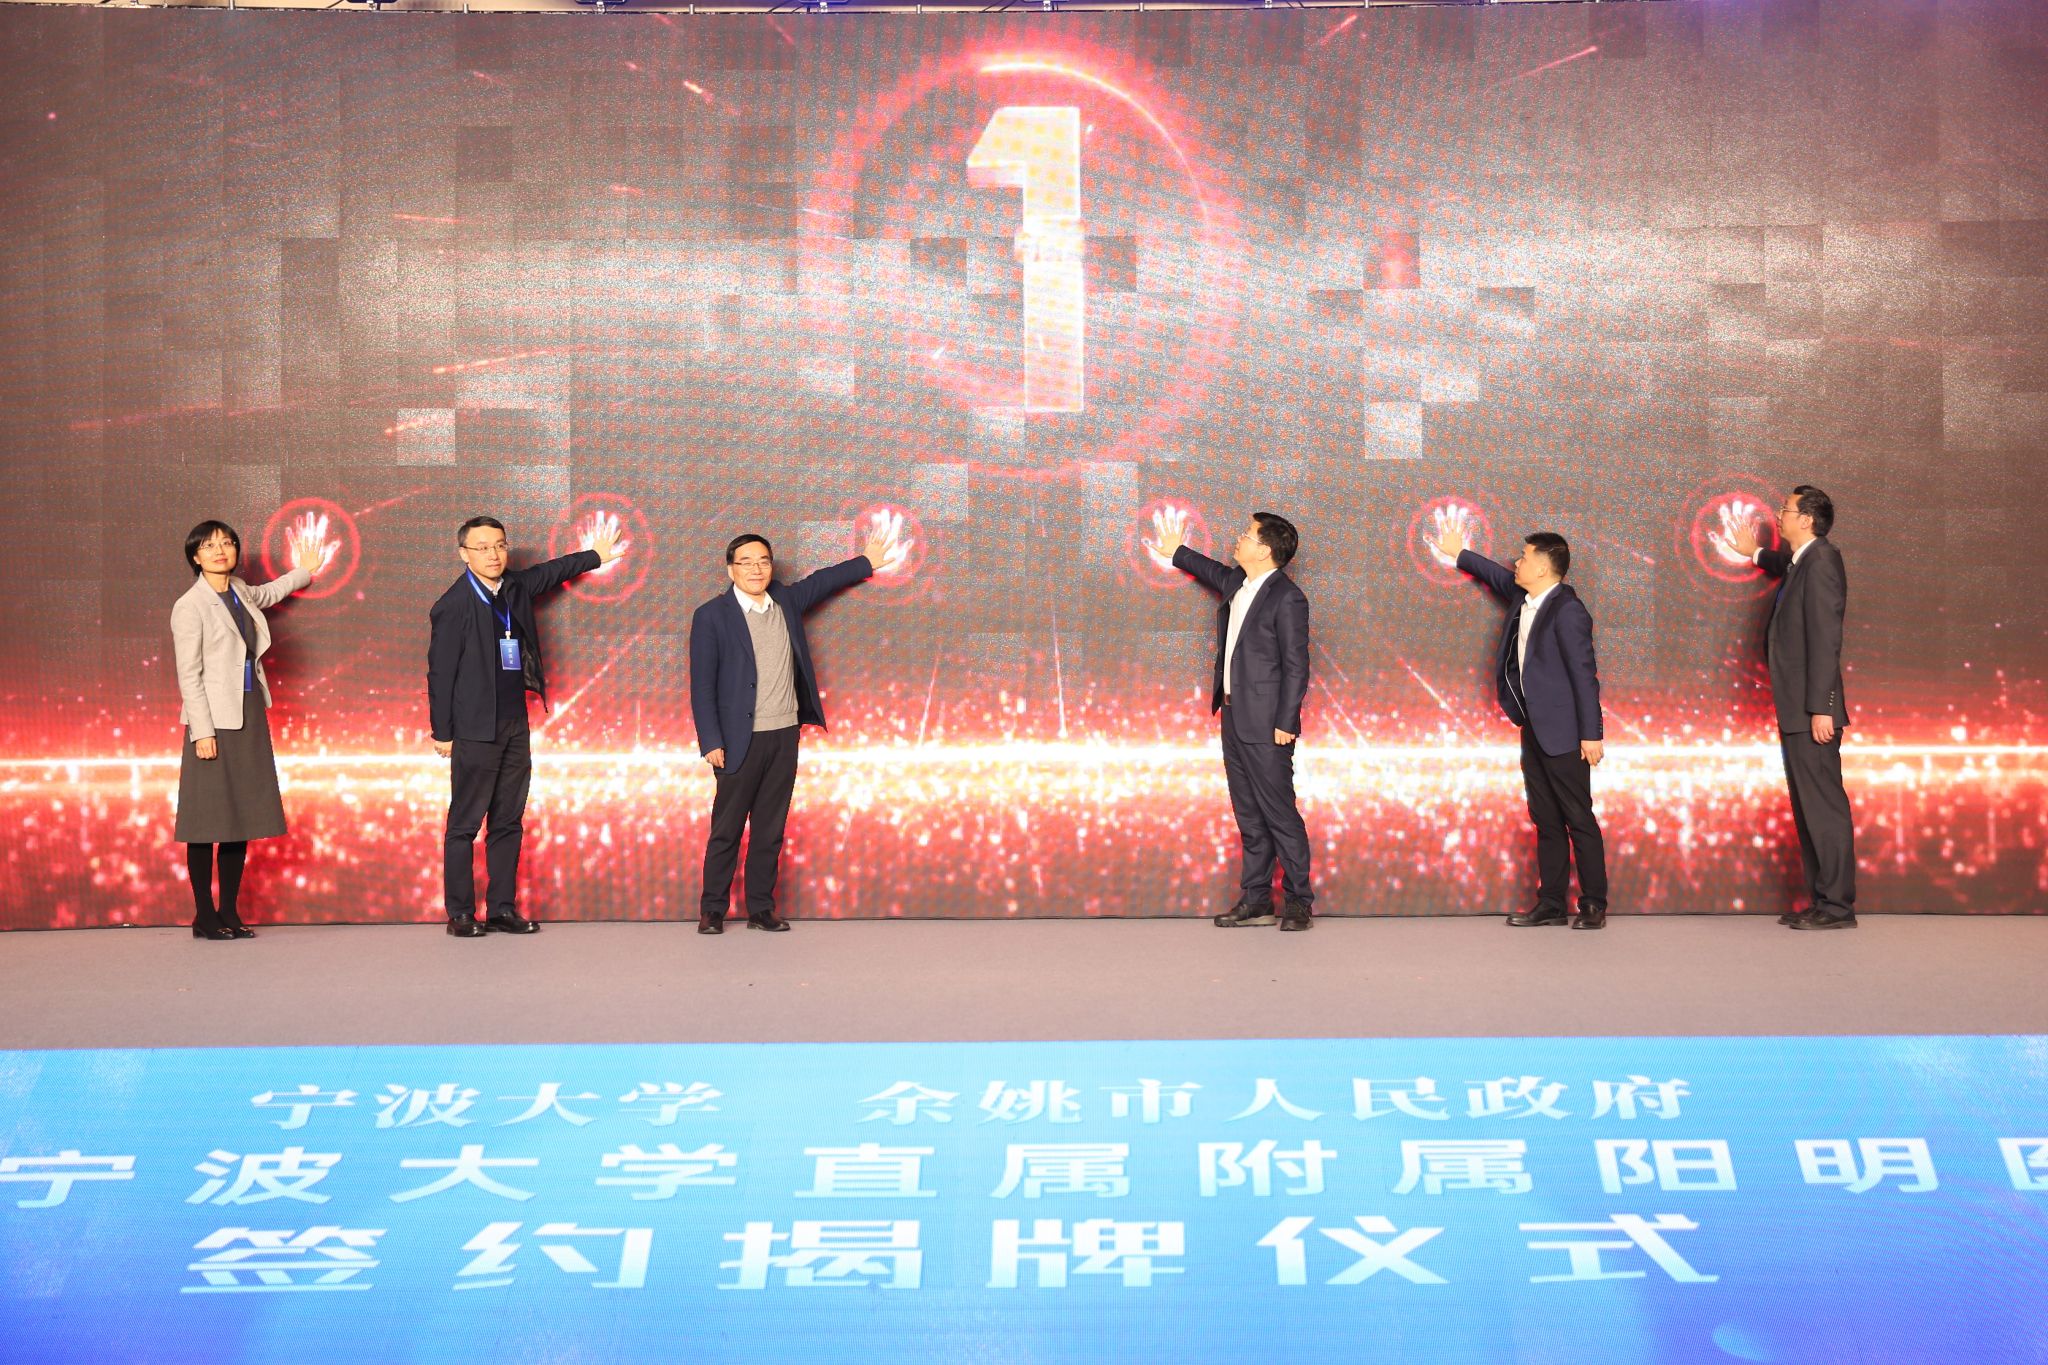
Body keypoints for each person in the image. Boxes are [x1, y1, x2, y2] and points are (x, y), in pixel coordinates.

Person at [689, 521, 897, 934]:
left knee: (770, 829)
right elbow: (702, 685)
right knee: (726, 830)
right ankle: (712, 909)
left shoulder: (784, 600)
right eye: (746, 562)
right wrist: (711, 740)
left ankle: (761, 909)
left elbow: (823, 582)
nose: (756, 569)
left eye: (763, 561)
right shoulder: (711, 615)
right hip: (736, 740)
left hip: (784, 734)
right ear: (731, 569)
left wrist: (867, 561)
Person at [428, 514, 623, 937]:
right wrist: (442, 732)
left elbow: (552, 572)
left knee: (508, 820)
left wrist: (596, 556)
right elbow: (439, 675)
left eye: (499, 545)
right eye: (482, 547)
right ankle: (460, 914)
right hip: (475, 728)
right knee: (464, 824)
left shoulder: (514, 587)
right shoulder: (452, 605)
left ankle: (502, 909)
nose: (493, 554)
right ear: (464, 554)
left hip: (515, 723)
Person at [1434, 519, 1608, 930]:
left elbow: (1585, 676)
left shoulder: (1568, 610)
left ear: (1544, 567)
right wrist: (1458, 553)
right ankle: (1551, 903)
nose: (1516, 562)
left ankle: (1593, 904)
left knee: (1578, 818)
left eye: (1525, 557)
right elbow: (1495, 574)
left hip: (1566, 734)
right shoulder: (1523, 596)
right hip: (1532, 727)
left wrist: (1591, 734)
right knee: (1545, 819)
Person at [1146, 510, 1316, 931]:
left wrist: (1286, 722)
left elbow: (1297, 666)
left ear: (1265, 550)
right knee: (1249, 815)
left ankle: (1299, 901)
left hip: (1269, 724)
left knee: (1279, 813)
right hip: (1233, 716)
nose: (1238, 539)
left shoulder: (1288, 598)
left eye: (1247, 535)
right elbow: (1209, 570)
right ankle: (1256, 901)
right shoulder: (1237, 582)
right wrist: (1176, 551)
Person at [171, 516, 329, 939]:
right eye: (208, 545)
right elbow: (189, 675)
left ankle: (228, 910)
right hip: (213, 721)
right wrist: (202, 732)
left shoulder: (240, 590)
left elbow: (270, 592)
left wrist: (304, 571)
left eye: (226, 543)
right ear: (195, 557)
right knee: (206, 819)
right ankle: (204, 915)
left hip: (249, 711)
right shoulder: (189, 606)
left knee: (238, 817)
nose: (219, 551)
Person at [1730, 486, 1857, 929]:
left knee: (1824, 809)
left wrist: (1823, 707)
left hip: (1812, 711)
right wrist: (1755, 553)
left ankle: (1838, 907)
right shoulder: (1805, 560)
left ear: (1806, 520)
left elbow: (1826, 638)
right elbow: (1785, 564)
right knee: (1808, 810)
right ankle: (1823, 901)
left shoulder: (1822, 561)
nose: (1778, 515)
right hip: (1798, 708)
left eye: (1785, 510)